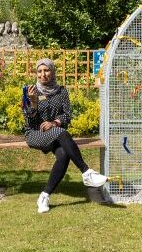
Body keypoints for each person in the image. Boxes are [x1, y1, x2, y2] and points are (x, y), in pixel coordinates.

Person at [24, 59, 107, 213]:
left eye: (46, 70)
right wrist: (34, 103)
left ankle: (44, 196)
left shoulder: (61, 91)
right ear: (36, 74)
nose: (43, 74)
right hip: (35, 134)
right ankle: (86, 172)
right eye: (39, 71)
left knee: (63, 155)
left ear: (53, 71)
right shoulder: (30, 91)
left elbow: (67, 115)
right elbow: (31, 122)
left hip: (54, 134)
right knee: (62, 133)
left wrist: (54, 123)